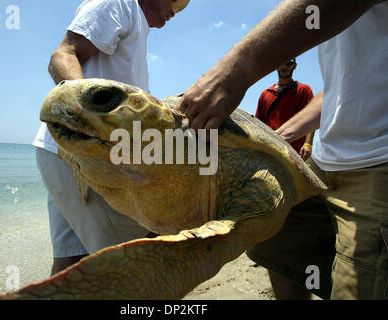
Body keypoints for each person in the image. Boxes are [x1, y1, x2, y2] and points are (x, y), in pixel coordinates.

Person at [176, 0, 387, 299]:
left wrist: (237, 67)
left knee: (357, 283)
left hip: (377, 159)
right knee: (275, 242)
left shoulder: (301, 89)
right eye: (283, 62)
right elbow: (339, 90)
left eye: (290, 61)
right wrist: (275, 138)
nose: (286, 65)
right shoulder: (266, 94)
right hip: (319, 166)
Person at [32, 0, 190, 275]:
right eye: (171, 9)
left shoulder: (135, 26)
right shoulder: (120, 3)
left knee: (71, 265)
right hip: (87, 155)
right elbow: (64, 54)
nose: (169, 19)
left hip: (62, 151)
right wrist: (87, 123)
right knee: (136, 265)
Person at [255, 58, 315, 160]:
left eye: (289, 63)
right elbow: (258, 124)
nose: (284, 67)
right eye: (281, 63)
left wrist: (308, 144)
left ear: (294, 66)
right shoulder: (265, 94)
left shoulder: (303, 90)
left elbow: (312, 117)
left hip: (296, 153)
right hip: (270, 149)